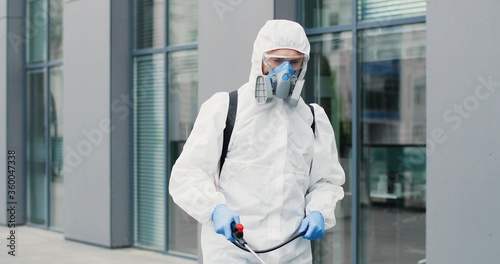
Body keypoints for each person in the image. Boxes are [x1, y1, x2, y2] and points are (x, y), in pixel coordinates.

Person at [169, 19, 345, 263]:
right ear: (260, 60)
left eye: (294, 62)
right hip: (233, 251)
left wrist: (319, 210)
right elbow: (187, 175)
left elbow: (326, 181)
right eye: (276, 61)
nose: (286, 71)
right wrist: (215, 209)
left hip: (293, 251)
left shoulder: (312, 119)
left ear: (303, 64)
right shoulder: (226, 108)